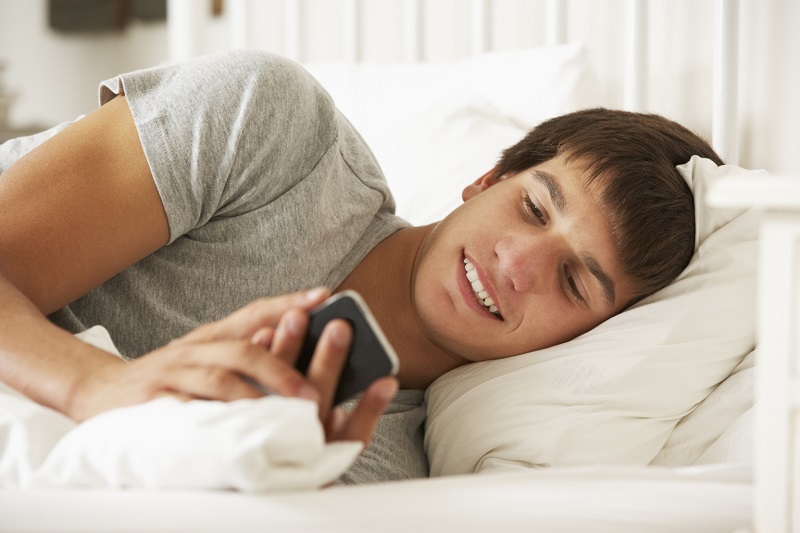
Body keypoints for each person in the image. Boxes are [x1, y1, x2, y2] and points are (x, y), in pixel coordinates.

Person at [0, 49, 722, 485]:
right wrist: (101, 386)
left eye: (574, 281)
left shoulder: (381, 470)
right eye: (534, 208)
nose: (518, 264)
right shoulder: (273, 127)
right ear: (487, 177)